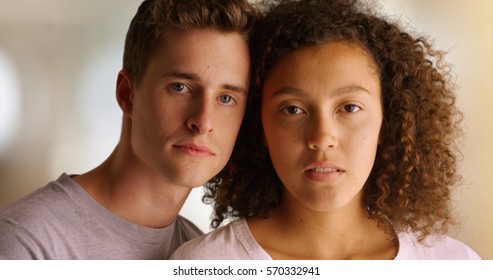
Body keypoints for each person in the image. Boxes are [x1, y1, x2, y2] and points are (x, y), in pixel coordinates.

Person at [171, 0, 481, 260]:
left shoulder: (455, 263)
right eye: (293, 109)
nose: (321, 139)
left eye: (349, 108)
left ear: (388, 124)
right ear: (260, 127)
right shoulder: (206, 263)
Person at [0, 0, 259, 259]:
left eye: (226, 98)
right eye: (180, 87)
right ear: (127, 94)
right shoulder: (28, 242)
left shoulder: (201, 253)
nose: (203, 122)